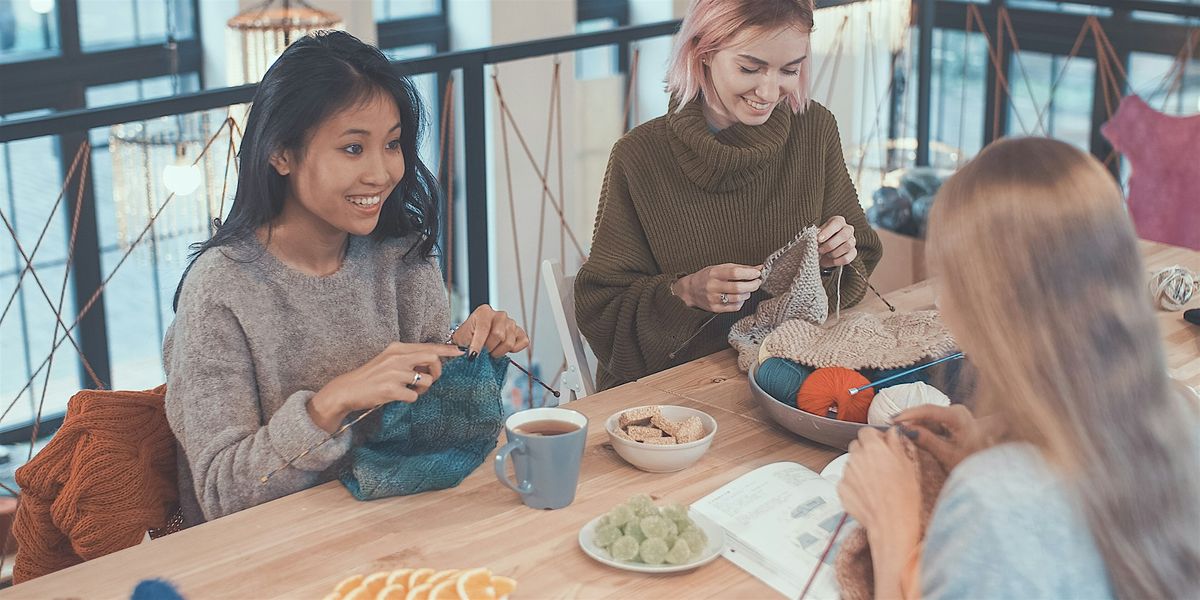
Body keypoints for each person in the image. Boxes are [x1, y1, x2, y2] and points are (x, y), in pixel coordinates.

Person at [165, 31, 529, 525]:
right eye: (353, 148)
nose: (381, 173)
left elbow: (421, 439)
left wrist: (464, 353)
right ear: (281, 153)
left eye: (393, 144)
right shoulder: (220, 290)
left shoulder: (402, 256)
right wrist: (330, 404)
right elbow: (222, 496)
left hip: (402, 525)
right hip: (275, 554)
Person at [837, 137, 1200, 599]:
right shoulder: (1181, 419)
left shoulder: (994, 503)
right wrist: (1003, 442)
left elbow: (1021, 519)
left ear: (985, 308)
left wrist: (893, 524)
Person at [574, 0, 882, 390]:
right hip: (672, 391)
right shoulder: (639, 156)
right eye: (750, 68)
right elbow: (603, 311)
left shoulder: (814, 129)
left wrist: (834, 258)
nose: (770, 91)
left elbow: (857, 270)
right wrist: (683, 292)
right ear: (703, 53)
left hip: (784, 374)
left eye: (790, 69)